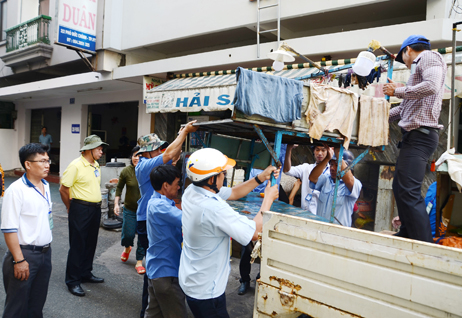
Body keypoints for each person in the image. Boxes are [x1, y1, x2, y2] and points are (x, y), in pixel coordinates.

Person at [179, 148, 279, 318]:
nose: (224, 177)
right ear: (212, 178)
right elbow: (254, 232)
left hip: (193, 280)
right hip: (206, 291)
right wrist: (267, 199)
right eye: (222, 173)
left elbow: (234, 192)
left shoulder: (192, 191)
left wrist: (259, 178)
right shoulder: (213, 208)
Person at [382, 35, 447, 242]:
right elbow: (403, 110)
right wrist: (379, 113)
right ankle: (409, 232)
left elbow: (432, 86)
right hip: (414, 136)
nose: (406, 63)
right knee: (399, 188)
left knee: (408, 191)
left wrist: (398, 91)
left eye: (404, 58)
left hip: (421, 135)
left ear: (408, 50)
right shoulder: (418, 71)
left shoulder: (428, 57)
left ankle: (424, 244)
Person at [135, 121, 197, 318]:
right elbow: (170, 155)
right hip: (149, 220)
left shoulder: (162, 194)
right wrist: (185, 132)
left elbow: (173, 155)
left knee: (154, 291)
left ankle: (155, 296)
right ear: (148, 152)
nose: (162, 151)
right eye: (158, 149)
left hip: (152, 224)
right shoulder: (145, 166)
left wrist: (181, 134)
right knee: (162, 288)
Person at [1, 143, 52, 317]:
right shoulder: (16, 191)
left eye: (48, 160)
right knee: (16, 308)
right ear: (28, 164)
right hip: (25, 255)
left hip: (45, 254)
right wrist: (19, 260)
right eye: (42, 161)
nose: (47, 165)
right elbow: (9, 229)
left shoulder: (45, 186)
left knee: (36, 306)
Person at [59, 135, 109, 297]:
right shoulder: (76, 165)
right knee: (78, 244)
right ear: (89, 149)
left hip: (94, 209)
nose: (101, 152)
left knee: (90, 242)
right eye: (99, 149)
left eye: (101, 149)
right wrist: (70, 207)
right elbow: (63, 188)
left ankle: (85, 273)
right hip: (80, 208)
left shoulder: (95, 165)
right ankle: (72, 281)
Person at [144, 164, 187, 318]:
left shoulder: (160, 202)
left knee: (154, 314)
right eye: (177, 184)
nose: (179, 188)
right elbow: (187, 220)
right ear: (165, 185)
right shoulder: (160, 206)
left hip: (157, 270)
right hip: (166, 272)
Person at [309, 147, 362, 227]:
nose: (332, 168)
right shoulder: (325, 179)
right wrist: (327, 159)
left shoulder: (355, 184)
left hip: (338, 233)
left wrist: (338, 154)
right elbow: (312, 178)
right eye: (331, 164)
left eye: (337, 165)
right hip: (320, 229)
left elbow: (349, 181)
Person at [114, 146, 145, 274]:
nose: (137, 158)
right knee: (128, 235)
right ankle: (127, 248)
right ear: (131, 157)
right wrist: (116, 204)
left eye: (140, 155)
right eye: (134, 155)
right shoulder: (126, 171)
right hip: (129, 209)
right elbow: (119, 188)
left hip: (144, 211)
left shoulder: (147, 170)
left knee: (143, 237)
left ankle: (139, 261)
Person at [283, 143, 330, 214]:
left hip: (321, 217)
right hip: (304, 214)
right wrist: (289, 149)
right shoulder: (306, 168)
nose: (320, 153)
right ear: (313, 151)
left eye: (323, 150)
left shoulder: (331, 172)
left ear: (328, 152)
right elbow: (287, 170)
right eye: (317, 150)